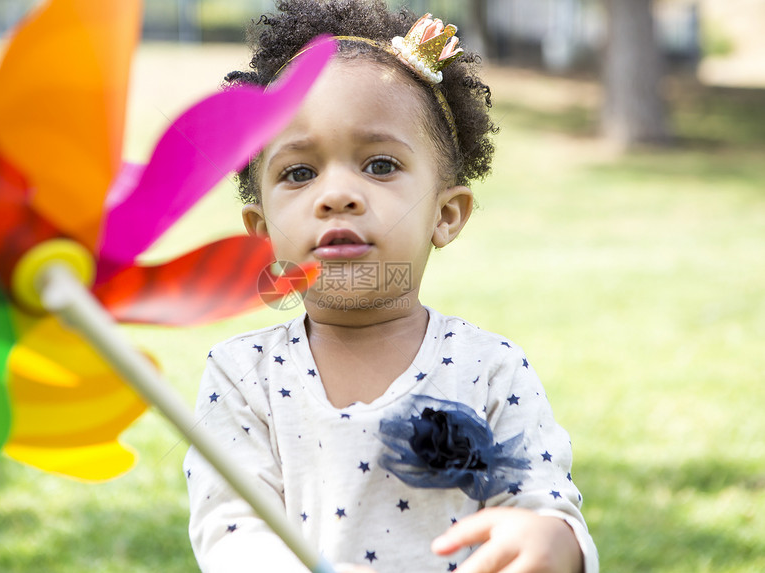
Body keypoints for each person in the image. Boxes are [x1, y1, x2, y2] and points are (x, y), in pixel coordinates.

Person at [183, 1, 599, 572]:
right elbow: (230, 530)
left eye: (379, 165)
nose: (337, 195)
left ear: (446, 215)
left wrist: (551, 540)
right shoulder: (242, 375)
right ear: (261, 235)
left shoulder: (490, 369)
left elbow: (544, 506)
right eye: (299, 173)